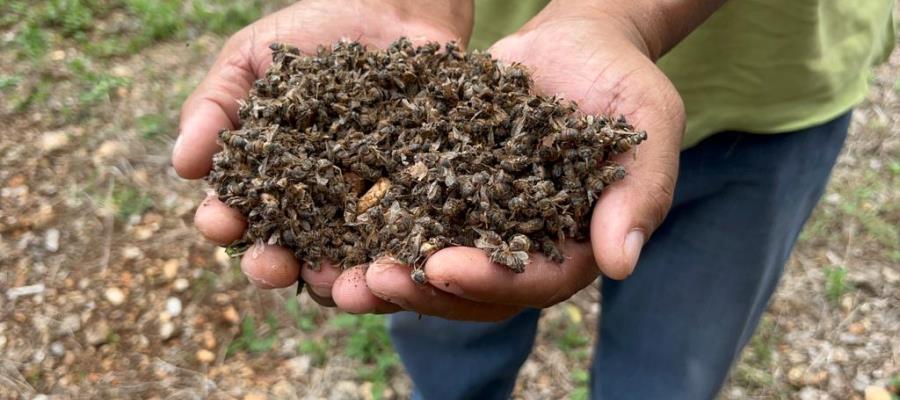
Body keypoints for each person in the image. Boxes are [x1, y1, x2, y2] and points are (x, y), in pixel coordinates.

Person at [171, 0, 895, 398]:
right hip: (487, 47)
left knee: (672, 369)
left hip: (764, 98)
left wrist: (623, 16)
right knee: (440, 315)